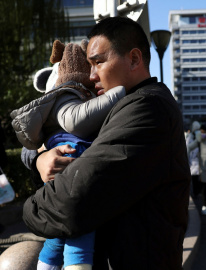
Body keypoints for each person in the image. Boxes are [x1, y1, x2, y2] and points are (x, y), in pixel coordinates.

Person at [21, 16, 191, 270]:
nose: (91, 76)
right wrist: (40, 161)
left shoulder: (147, 109)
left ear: (134, 59)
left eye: (98, 62)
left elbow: (71, 201)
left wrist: (30, 210)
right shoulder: (124, 107)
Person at [11, 39, 126, 270]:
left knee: (70, 237)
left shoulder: (101, 102)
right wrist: (40, 158)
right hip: (69, 202)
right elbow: (28, 149)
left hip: (94, 213)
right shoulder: (62, 105)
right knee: (68, 237)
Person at [185, 121, 202, 199]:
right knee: (195, 179)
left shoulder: (200, 138)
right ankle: (196, 192)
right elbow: (187, 150)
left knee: (199, 179)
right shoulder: (189, 139)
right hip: (192, 162)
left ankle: (198, 191)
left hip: (199, 162)